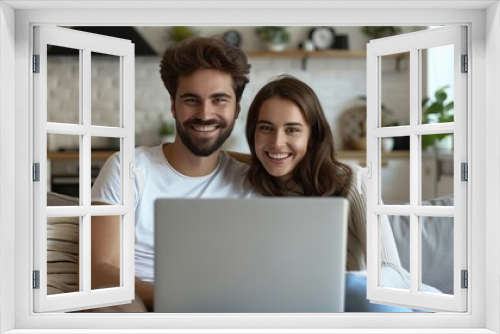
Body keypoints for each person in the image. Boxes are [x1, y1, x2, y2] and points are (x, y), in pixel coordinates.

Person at [88, 37, 257, 312]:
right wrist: (168, 297)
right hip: (139, 307)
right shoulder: (129, 167)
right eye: (191, 100)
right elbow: (97, 269)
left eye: (219, 100)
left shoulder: (249, 182)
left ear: (236, 108)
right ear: (173, 105)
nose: (204, 114)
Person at [245, 75, 440, 312]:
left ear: (312, 136)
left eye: (292, 130)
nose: (277, 142)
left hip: (394, 304)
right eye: (266, 128)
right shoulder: (244, 186)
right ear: (252, 132)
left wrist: (344, 281)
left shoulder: (351, 180)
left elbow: (391, 269)